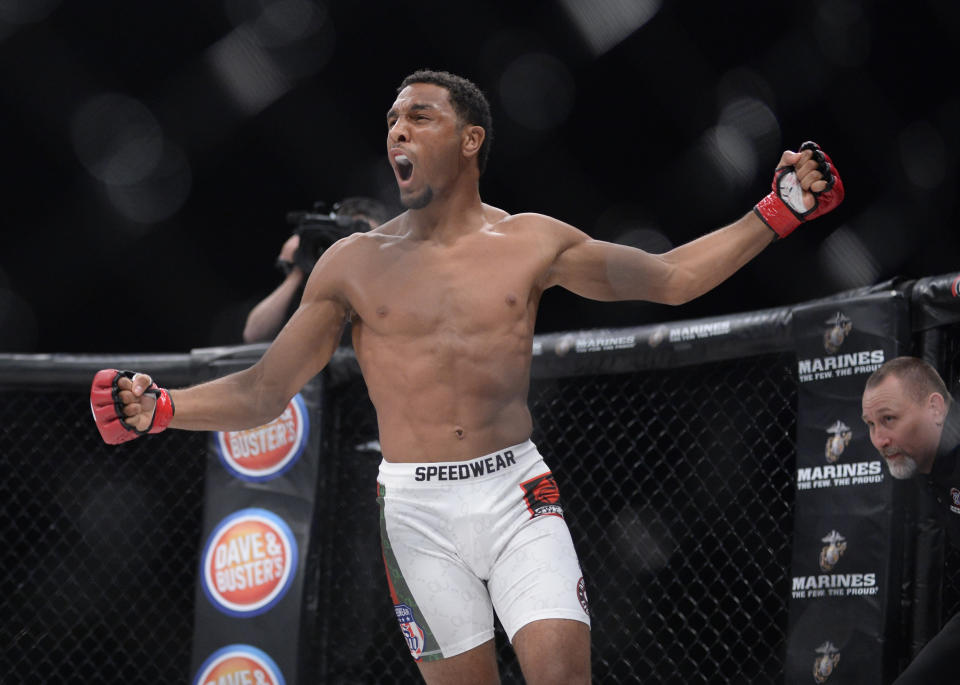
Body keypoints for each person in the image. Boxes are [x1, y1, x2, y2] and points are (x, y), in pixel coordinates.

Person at [90, 69, 844, 685]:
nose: (397, 131)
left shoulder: (531, 242)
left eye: (419, 115)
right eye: (391, 120)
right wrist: (164, 407)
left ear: (471, 138)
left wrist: (778, 211)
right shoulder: (353, 265)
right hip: (417, 511)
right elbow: (264, 389)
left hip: (517, 495)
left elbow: (672, 277)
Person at [860, 356, 960, 684]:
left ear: (935, 408)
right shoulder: (926, 467)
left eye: (889, 419)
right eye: (871, 424)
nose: (879, 440)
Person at [242, 196, 394, 343]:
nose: (357, 249)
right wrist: (300, 266)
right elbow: (254, 335)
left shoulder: (393, 288)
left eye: (366, 239)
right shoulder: (315, 287)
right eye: (350, 238)